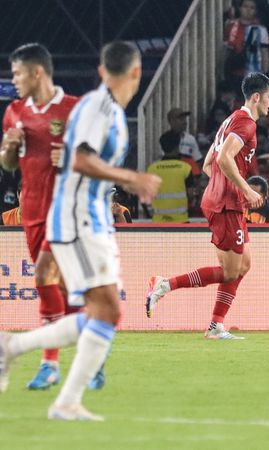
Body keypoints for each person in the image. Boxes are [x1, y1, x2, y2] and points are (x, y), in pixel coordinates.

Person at [0, 41, 161, 420]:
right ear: (137, 73)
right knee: (102, 309)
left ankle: (41, 374)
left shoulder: (98, 110)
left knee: (100, 312)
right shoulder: (97, 108)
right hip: (76, 218)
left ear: (103, 71)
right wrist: (132, 178)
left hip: (89, 218)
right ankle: (49, 379)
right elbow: (82, 160)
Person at [145, 72, 269, 340]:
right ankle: (165, 285)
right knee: (229, 271)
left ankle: (216, 325)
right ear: (257, 97)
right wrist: (245, 189)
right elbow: (225, 159)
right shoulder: (246, 124)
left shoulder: (229, 121)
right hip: (226, 202)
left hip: (223, 199)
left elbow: (208, 164)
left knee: (244, 264)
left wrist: (221, 186)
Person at [0, 43, 94, 391]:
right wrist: (8, 150)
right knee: (65, 291)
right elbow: (8, 164)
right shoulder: (14, 111)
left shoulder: (75, 109)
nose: (14, 80)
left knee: (43, 278)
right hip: (33, 211)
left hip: (67, 211)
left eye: (17, 73)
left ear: (37, 72)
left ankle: (49, 364)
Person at [148, 130, 194, 223]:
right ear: (177, 147)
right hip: (181, 221)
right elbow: (190, 195)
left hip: (158, 222)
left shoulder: (152, 169)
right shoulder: (185, 168)